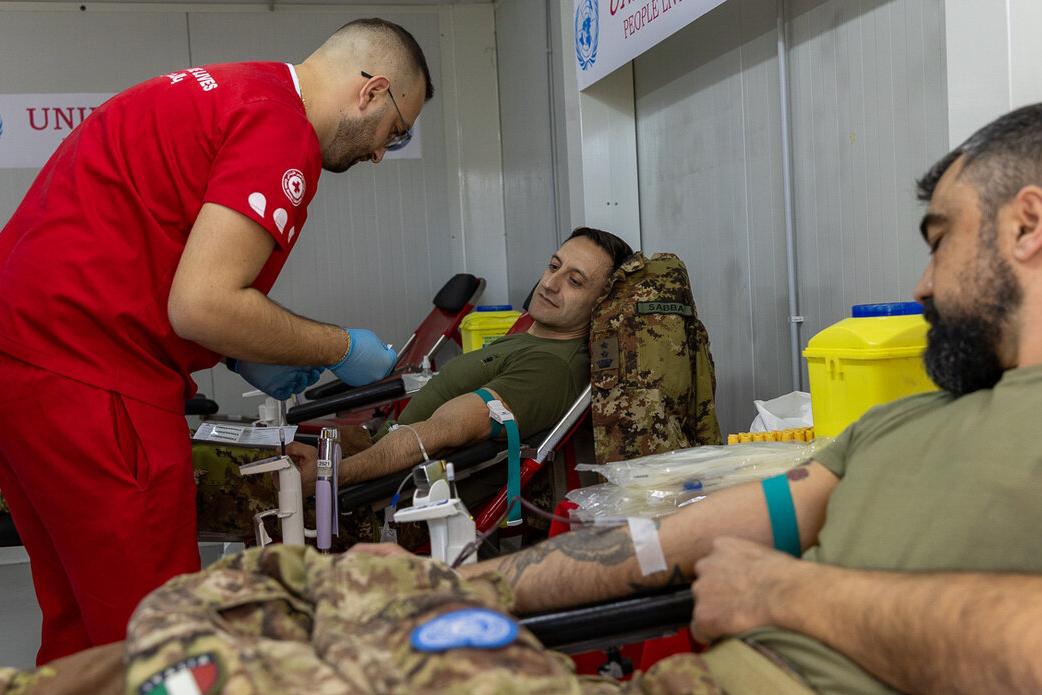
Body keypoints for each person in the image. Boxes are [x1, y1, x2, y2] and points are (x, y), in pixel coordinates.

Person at [447, 104, 1042, 694]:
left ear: (1026, 225)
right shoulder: (899, 423)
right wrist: (447, 591)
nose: (924, 284)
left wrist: (782, 592)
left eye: (940, 241)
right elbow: (664, 545)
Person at [0, 18, 432, 663]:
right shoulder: (280, 126)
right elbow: (202, 304)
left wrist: (238, 348)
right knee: (157, 637)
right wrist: (338, 346)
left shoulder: (226, 91)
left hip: (27, 363)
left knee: (83, 630)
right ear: (371, 92)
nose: (378, 152)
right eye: (394, 135)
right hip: (93, 377)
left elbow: (148, 241)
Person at [286, 227, 634, 491]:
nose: (550, 284)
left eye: (574, 281)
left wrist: (329, 474)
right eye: (553, 266)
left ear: (601, 304)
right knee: (262, 447)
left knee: (251, 476)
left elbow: (439, 432)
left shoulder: (550, 368)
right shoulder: (527, 337)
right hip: (378, 454)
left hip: (389, 495)